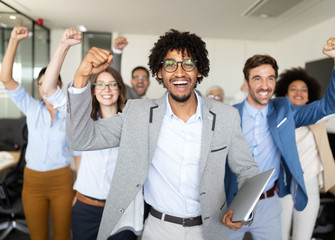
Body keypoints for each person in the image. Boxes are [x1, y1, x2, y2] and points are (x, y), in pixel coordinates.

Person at [65, 29, 259, 240]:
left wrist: (244, 211)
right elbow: (81, 138)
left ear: (199, 70)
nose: (179, 72)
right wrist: (81, 77)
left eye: (188, 64)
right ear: (159, 72)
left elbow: (247, 169)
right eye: (169, 65)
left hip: (210, 230)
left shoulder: (225, 116)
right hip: (159, 229)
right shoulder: (137, 114)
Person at [224, 36, 335, 240]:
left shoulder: (284, 111)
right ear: (246, 81)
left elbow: (329, 106)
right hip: (233, 203)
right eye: (257, 78)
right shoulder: (229, 115)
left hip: (270, 204)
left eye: (270, 78)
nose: (265, 85)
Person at [42, 29, 136, 240]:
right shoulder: (83, 121)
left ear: (120, 90)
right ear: (92, 90)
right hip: (86, 206)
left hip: (121, 210)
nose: (106, 89)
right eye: (100, 84)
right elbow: (48, 89)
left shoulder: (132, 123)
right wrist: (63, 45)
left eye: (112, 84)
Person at [0, 26, 80, 240]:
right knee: (38, 236)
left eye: (50, 83)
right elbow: (6, 79)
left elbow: (80, 151)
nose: (45, 89)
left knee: (63, 235)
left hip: (62, 179)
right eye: (41, 85)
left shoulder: (69, 112)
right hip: (32, 180)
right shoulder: (32, 108)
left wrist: (80, 188)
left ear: (59, 85)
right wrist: (14, 41)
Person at [274, 67, 335, 240]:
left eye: (304, 90)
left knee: (303, 236)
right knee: (278, 234)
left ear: (309, 95)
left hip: (309, 183)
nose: (299, 93)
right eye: (293, 89)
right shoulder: (276, 118)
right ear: (284, 94)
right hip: (283, 183)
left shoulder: (317, 117)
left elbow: (333, 102)